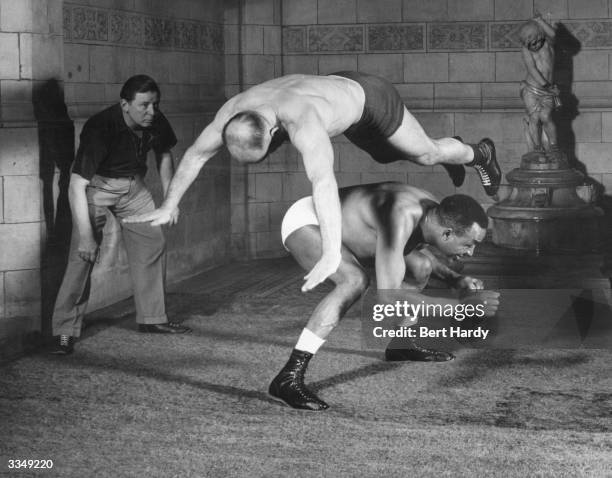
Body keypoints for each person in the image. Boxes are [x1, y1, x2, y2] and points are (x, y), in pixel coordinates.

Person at [124, 72, 502, 292]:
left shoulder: (304, 122)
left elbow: (323, 184)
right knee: (386, 154)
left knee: (425, 153)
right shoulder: (231, 113)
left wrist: (331, 253)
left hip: (370, 100)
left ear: (273, 131)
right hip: (343, 102)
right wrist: (169, 204)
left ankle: (476, 155)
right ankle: (453, 156)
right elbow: (195, 155)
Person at [269, 182, 501, 410]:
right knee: (354, 281)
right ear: (448, 234)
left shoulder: (435, 215)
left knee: (419, 266)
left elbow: (411, 250)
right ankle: (288, 377)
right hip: (309, 221)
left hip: (344, 225)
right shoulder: (400, 216)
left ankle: (401, 344)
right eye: (469, 244)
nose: (471, 252)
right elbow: (389, 298)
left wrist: (455, 280)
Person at [50, 75, 191, 355]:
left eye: (154, 104)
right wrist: (88, 238)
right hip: (97, 187)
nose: (151, 112)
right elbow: (76, 186)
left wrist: (170, 201)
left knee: (153, 242)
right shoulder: (100, 127)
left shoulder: (155, 119)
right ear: (125, 104)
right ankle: (65, 331)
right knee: (82, 257)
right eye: (144, 106)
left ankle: (152, 319)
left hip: (133, 187)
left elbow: (164, 155)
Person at [519, 14, 561, 156]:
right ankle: (537, 148)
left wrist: (539, 21)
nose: (535, 46)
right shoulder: (526, 50)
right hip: (531, 89)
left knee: (546, 116)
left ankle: (554, 146)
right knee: (534, 118)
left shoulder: (548, 43)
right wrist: (546, 84)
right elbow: (532, 69)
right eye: (531, 45)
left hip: (548, 91)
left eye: (536, 42)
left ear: (540, 36)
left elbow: (554, 34)